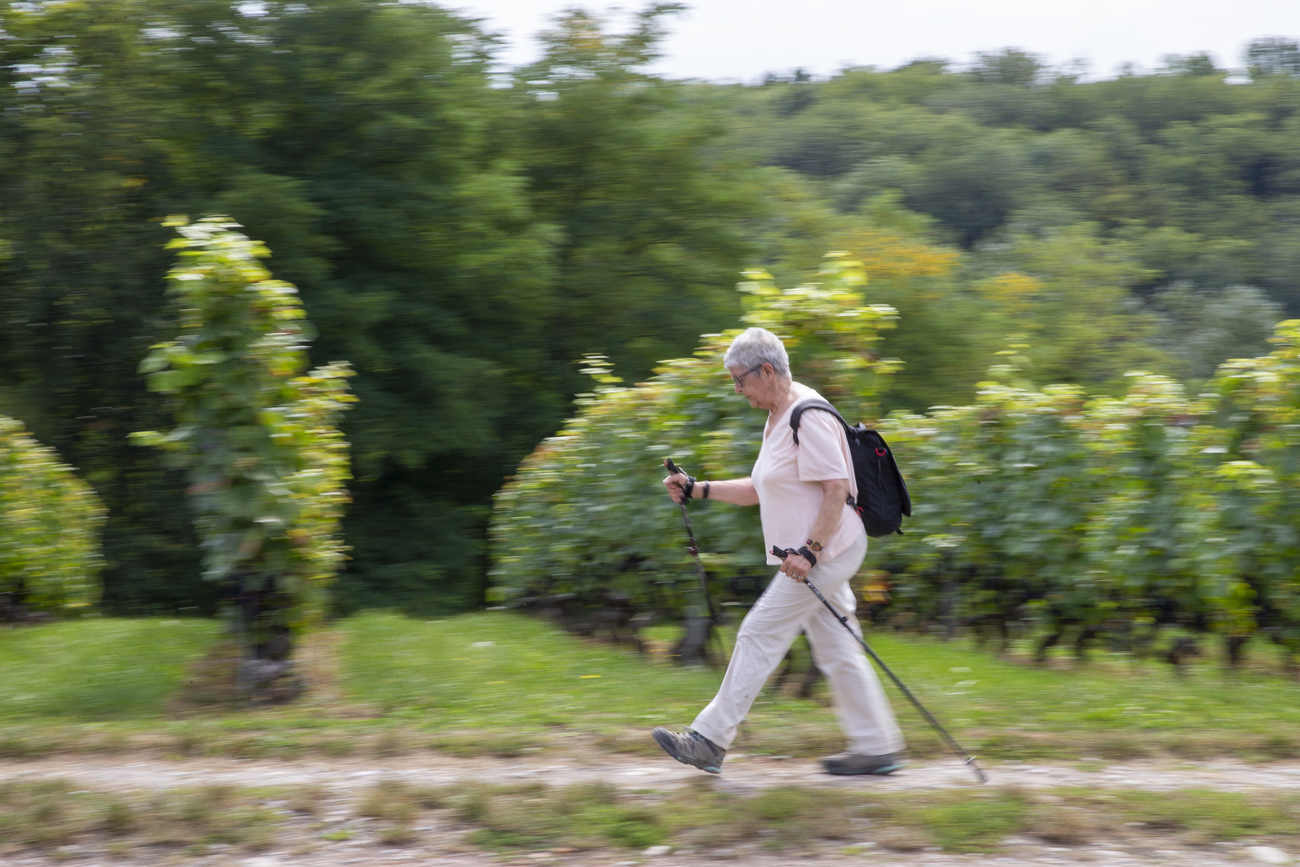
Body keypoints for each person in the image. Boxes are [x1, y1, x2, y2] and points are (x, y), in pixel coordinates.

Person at [652, 327, 906, 776]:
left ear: (766, 371)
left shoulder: (805, 415)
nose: (737, 390)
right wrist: (698, 488)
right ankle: (876, 747)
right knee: (838, 648)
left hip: (827, 553)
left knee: (757, 632)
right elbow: (760, 489)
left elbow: (836, 490)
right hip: (822, 553)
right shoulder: (778, 414)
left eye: (739, 380)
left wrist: (809, 551)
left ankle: (709, 740)